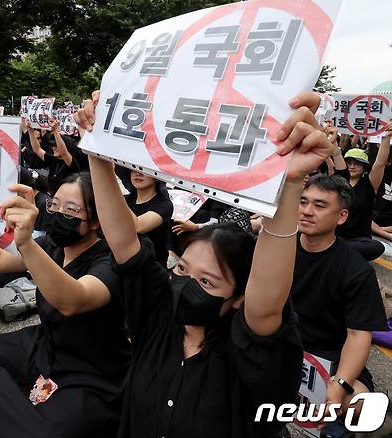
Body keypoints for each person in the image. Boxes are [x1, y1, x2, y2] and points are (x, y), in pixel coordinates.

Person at [76, 91, 332, 437]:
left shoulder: (249, 354)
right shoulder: (157, 317)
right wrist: (97, 148)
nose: (185, 284)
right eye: (181, 269)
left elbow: (266, 305)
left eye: (208, 282)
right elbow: (123, 241)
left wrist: (290, 187)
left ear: (239, 297)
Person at [0, 172, 131, 437]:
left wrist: (26, 243)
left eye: (72, 209)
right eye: (55, 204)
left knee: (53, 429)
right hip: (46, 345)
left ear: (97, 220)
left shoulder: (111, 261)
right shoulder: (52, 244)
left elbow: (71, 300)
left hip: (92, 369)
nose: (59, 213)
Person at [291, 174, 387, 421]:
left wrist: (340, 384)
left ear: (342, 216)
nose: (307, 211)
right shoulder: (278, 249)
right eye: (303, 202)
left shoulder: (355, 269)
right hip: (279, 346)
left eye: (320, 205)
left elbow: (358, 335)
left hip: (329, 356)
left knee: (359, 404)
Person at [333, 121, 391, 260]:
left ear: (364, 167)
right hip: (333, 235)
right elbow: (334, 153)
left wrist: (386, 136)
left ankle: (336, 251)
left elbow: (380, 163)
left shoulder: (370, 184)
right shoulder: (339, 182)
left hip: (358, 241)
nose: (352, 167)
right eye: (349, 163)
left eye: (357, 164)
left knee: (376, 247)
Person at [124, 170, 173, 267]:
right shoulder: (127, 199)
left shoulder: (165, 204)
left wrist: (114, 191)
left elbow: (137, 227)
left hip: (151, 267)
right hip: (125, 261)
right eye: (133, 169)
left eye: (143, 169)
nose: (138, 173)